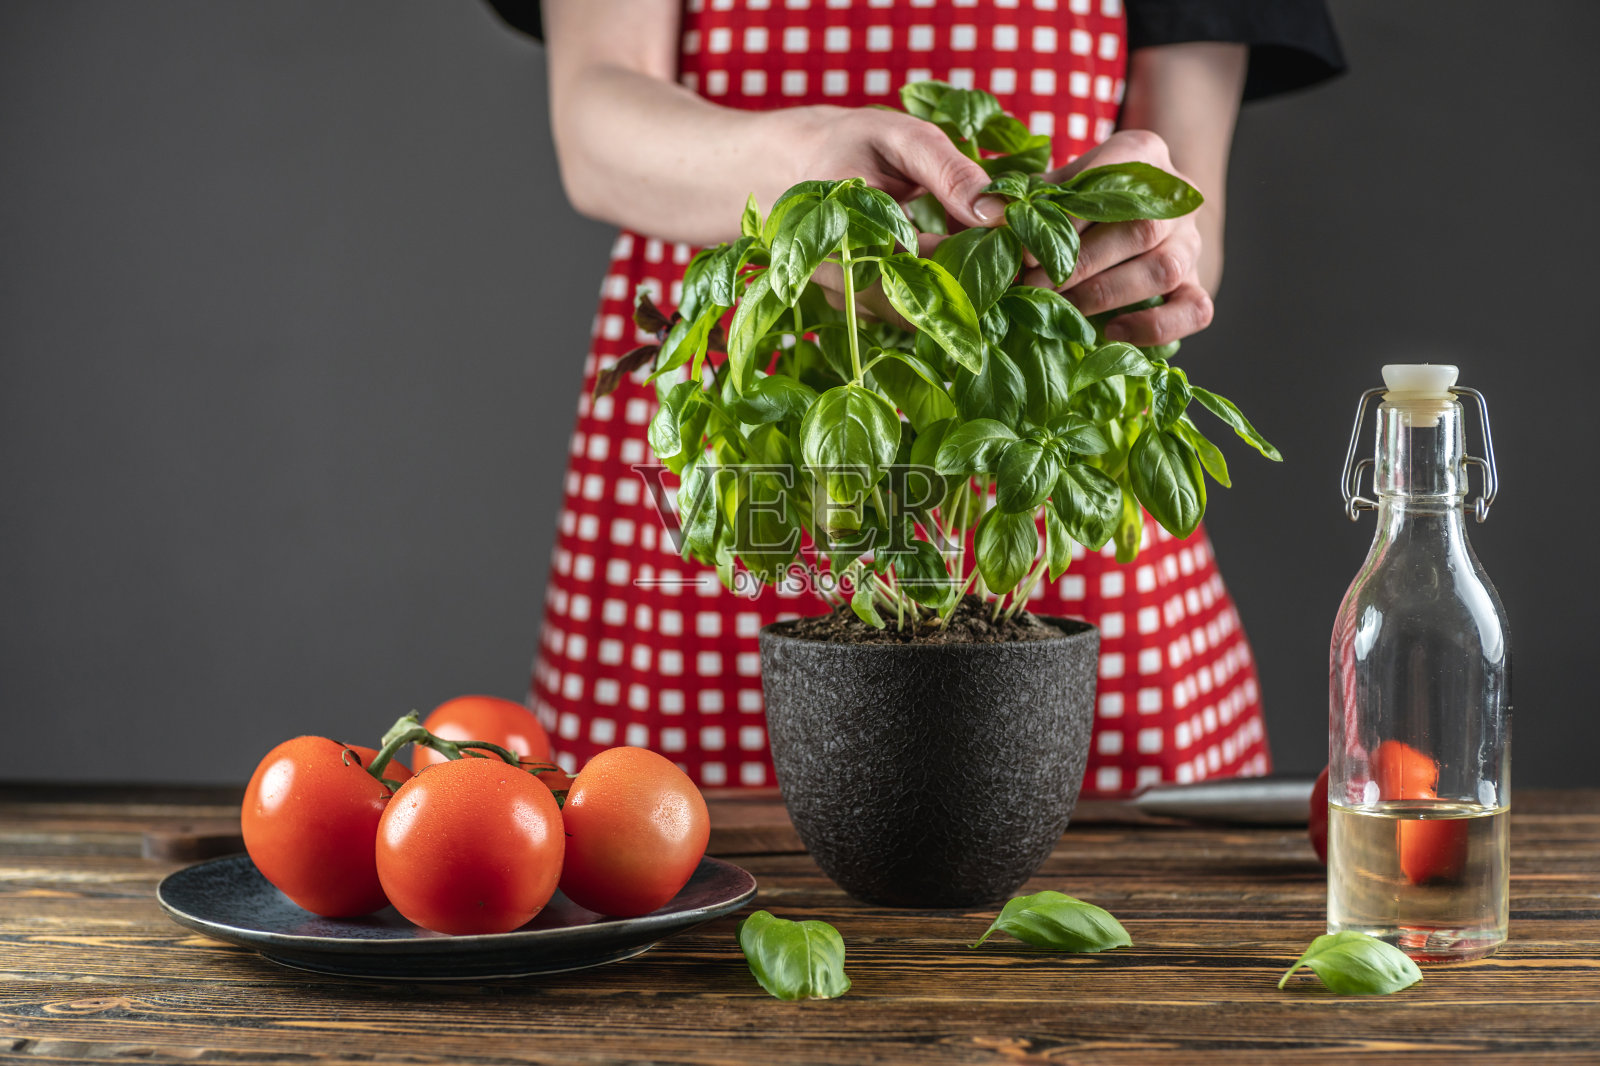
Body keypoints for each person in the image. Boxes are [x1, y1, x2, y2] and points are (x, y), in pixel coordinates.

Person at [489, 0, 1343, 792]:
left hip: (1048, 468)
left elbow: (1191, 213)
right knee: (653, 871)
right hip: (735, 437)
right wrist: (802, 181)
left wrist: (1137, 234)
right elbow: (594, 116)